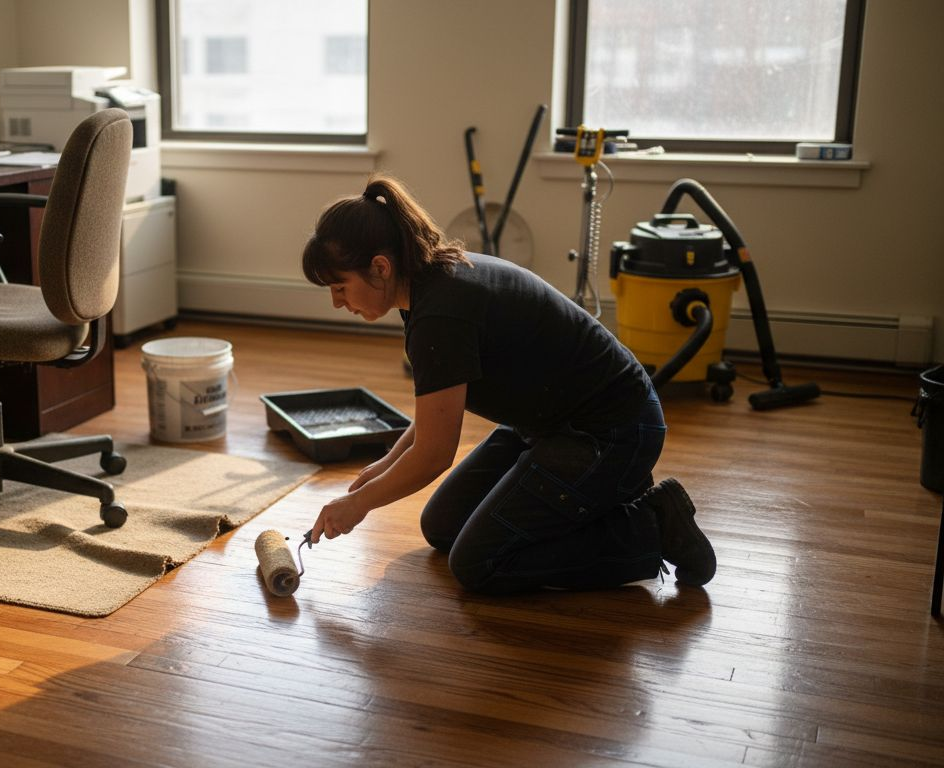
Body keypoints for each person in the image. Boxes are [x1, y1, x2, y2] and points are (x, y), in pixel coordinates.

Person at [302, 173, 716, 593]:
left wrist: (359, 504)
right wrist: (386, 464)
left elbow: (434, 454)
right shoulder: (431, 283)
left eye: (340, 286)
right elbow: (437, 412)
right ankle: (602, 495)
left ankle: (653, 526)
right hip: (549, 423)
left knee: (480, 563)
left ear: (380, 267)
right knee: (443, 525)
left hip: (612, 431)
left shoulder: (440, 314)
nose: (337, 301)